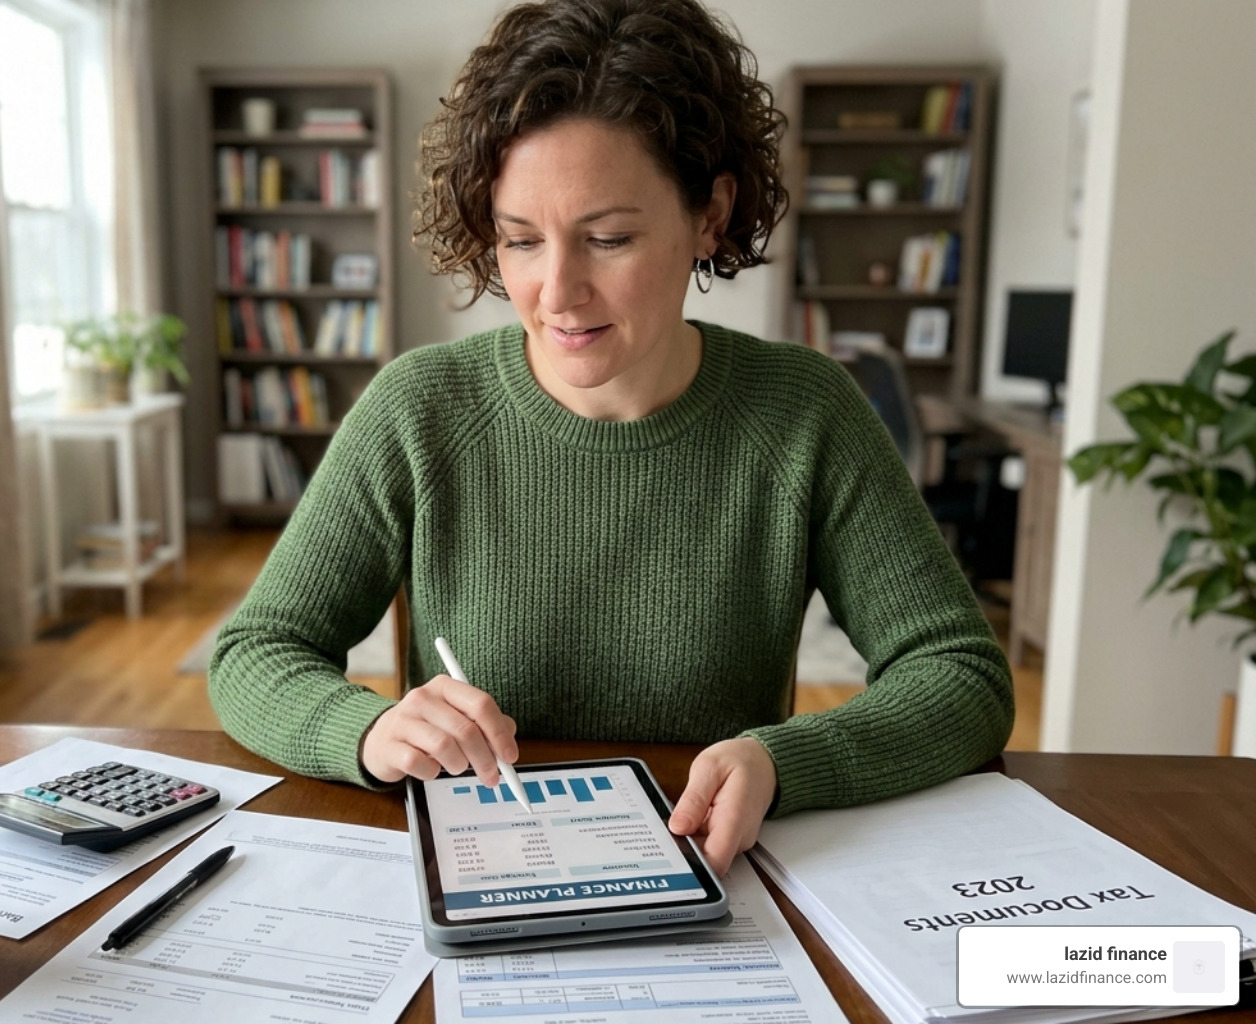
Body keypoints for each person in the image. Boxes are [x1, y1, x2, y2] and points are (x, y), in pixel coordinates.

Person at [209, 0, 1013, 878]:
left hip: (710, 875)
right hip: (482, 873)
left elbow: (959, 674)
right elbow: (257, 653)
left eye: (608, 238)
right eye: (520, 242)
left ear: (710, 215)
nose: (558, 291)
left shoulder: (805, 413)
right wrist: (362, 729)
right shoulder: (419, 407)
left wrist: (787, 761)